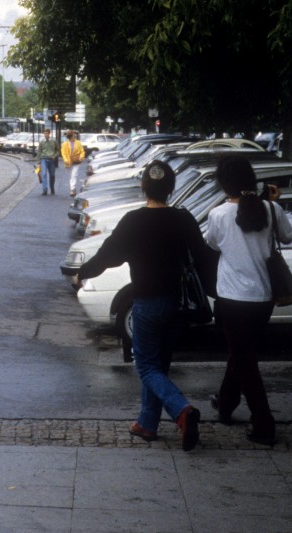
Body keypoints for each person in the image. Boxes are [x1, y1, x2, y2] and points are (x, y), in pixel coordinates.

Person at [76, 160, 214, 450]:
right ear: (171, 188)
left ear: (143, 187)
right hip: (177, 304)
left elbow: (107, 256)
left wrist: (82, 272)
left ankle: (182, 410)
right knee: (159, 365)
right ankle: (147, 423)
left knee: (147, 366)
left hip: (147, 303)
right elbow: (203, 257)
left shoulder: (133, 220)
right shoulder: (183, 219)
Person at [204, 155, 292, 446]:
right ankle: (226, 405)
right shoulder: (271, 208)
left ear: (223, 183)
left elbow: (212, 244)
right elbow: (288, 237)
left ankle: (264, 422)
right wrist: (275, 201)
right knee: (241, 355)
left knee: (244, 360)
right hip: (264, 298)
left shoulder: (218, 215)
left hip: (231, 298)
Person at [61, 130, 87, 198]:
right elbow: (63, 153)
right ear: (70, 136)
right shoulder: (64, 144)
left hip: (77, 161)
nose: (75, 136)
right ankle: (73, 188)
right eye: (73, 135)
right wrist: (66, 160)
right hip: (69, 162)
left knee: (74, 175)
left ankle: (72, 189)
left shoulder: (78, 143)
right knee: (71, 176)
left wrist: (81, 157)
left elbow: (82, 151)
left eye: (75, 135)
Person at [37, 128, 60, 195]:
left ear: (49, 134)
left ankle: (52, 187)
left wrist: (54, 156)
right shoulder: (41, 142)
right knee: (44, 174)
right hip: (44, 159)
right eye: (44, 133)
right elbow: (39, 152)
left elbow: (58, 150)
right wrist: (38, 162)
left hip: (51, 159)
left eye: (47, 133)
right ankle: (45, 190)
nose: (45, 135)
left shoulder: (54, 141)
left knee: (52, 175)